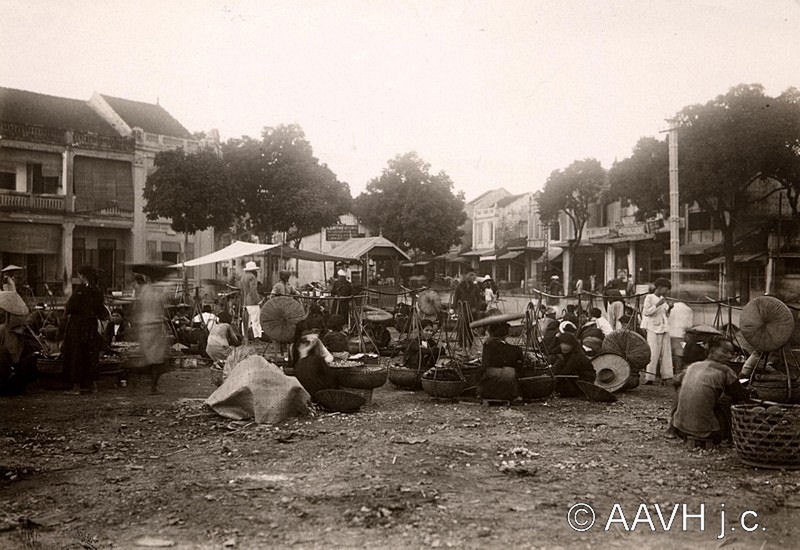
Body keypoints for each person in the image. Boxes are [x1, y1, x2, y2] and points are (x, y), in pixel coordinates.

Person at [671, 338, 748, 443]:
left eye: (731, 353)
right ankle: (729, 437)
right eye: (725, 352)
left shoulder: (693, 366)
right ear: (712, 351)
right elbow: (741, 395)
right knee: (728, 400)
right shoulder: (725, 371)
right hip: (707, 432)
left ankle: (673, 427)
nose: (729, 356)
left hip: (680, 429)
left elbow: (675, 382)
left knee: (681, 389)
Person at [62, 266, 109, 395]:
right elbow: (101, 310)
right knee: (91, 354)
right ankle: (93, 386)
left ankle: (76, 387)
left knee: (76, 353)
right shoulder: (97, 290)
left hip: (78, 326)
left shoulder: (80, 290)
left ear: (83, 276)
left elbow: (70, 307)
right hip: (91, 325)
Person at [131, 272, 169, 394]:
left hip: (147, 326)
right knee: (155, 359)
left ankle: (148, 386)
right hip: (154, 325)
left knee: (149, 357)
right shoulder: (156, 291)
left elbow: (137, 309)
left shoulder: (143, 292)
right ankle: (152, 386)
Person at [479, 319, 524, 402]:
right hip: (501, 377)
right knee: (510, 372)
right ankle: (511, 395)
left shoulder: (487, 344)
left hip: (488, 377)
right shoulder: (512, 349)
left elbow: (484, 365)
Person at [642, 277, 673, 385]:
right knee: (653, 352)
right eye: (666, 288)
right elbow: (646, 312)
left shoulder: (663, 299)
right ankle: (650, 377)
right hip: (653, 328)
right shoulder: (649, 297)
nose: (667, 291)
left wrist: (669, 308)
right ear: (659, 287)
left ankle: (666, 377)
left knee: (666, 353)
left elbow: (665, 315)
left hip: (664, 328)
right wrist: (658, 304)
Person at [551, 332, 596, 397]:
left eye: (567, 344)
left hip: (581, 383)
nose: (564, 346)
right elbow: (550, 351)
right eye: (562, 343)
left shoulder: (577, 356)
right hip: (571, 378)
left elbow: (566, 372)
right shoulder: (563, 352)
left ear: (572, 345)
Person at [239, 261, 263, 343]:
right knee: (256, 320)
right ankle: (257, 337)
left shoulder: (243, 277)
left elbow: (242, 291)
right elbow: (253, 290)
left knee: (246, 321)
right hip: (252, 302)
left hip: (245, 301)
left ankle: (245, 337)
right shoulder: (252, 277)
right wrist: (258, 301)